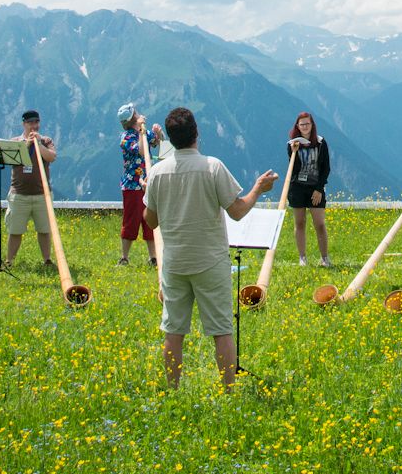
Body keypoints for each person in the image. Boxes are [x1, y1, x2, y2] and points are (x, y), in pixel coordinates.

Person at [142, 107, 277, 390]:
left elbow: (150, 221)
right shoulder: (213, 166)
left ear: (170, 138)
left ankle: (172, 389)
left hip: (175, 262)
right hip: (210, 262)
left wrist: (150, 193)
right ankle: (228, 390)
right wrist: (257, 189)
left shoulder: (156, 173)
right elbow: (237, 211)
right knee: (221, 330)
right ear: (196, 133)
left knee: (173, 331)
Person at [4, 109, 57, 271]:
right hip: (19, 195)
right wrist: (27, 144)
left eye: (36, 122)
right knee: (15, 231)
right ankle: (9, 261)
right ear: (24, 124)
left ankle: (47, 260)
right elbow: (11, 160)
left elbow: (51, 157)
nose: (34, 125)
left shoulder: (46, 141)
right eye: (30, 123)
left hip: (42, 194)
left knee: (44, 230)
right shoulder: (15, 141)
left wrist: (38, 144)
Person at [117, 102, 165, 266]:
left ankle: (153, 257)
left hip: (147, 183)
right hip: (132, 185)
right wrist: (141, 131)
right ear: (133, 118)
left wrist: (158, 133)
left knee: (149, 219)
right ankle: (124, 257)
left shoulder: (143, 132)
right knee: (131, 219)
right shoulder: (126, 138)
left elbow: (159, 143)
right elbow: (142, 150)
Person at [286, 111, 333, 266]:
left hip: (315, 188)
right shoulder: (293, 144)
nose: (305, 126)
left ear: (312, 125)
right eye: (302, 124)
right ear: (298, 126)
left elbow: (326, 168)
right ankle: (302, 258)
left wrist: (319, 189)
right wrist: (293, 152)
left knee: (320, 224)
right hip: (297, 188)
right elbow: (293, 169)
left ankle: (324, 258)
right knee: (299, 223)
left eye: (307, 123)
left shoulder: (320, 143)